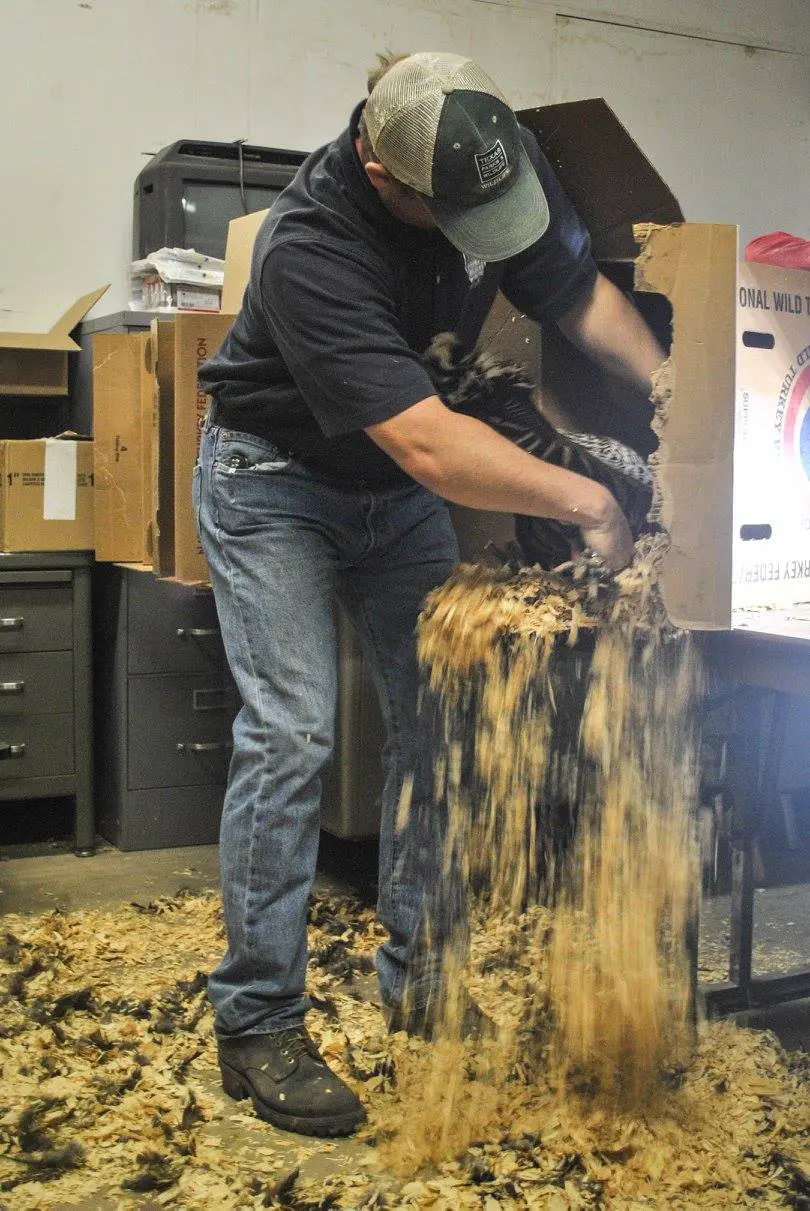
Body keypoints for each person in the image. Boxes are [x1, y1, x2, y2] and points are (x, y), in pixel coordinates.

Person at [194, 50, 665, 1139]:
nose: (484, 233)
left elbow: (580, 293)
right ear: (380, 168)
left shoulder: (502, 162)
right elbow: (432, 446)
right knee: (293, 732)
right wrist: (593, 502)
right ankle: (257, 1018)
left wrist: (678, 397)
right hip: (275, 483)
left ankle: (422, 976)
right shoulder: (308, 247)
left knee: (439, 720)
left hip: (388, 488)